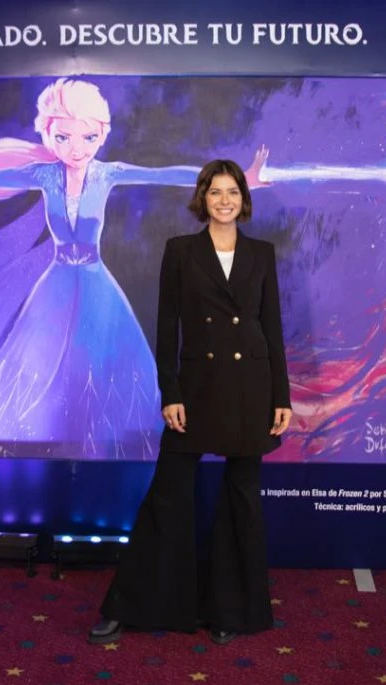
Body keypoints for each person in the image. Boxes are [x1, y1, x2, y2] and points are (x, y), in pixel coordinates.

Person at [0, 77, 268, 459]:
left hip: (95, 282)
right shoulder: (43, 174)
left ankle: (104, 449)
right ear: (48, 135)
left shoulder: (108, 173)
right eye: (64, 137)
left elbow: (168, 175)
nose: (76, 148)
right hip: (55, 282)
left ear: (102, 135)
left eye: (88, 137)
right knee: (32, 357)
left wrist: (240, 181)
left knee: (104, 364)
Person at [89, 158, 293, 646]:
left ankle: (230, 611)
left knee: (242, 497)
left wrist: (281, 396)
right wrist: (171, 392)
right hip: (197, 389)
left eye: (233, 192)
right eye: (216, 192)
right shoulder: (180, 251)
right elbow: (167, 329)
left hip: (251, 387)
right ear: (203, 199)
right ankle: (129, 606)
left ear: (243, 200)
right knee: (167, 493)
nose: (225, 200)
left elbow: (272, 327)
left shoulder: (261, 253)